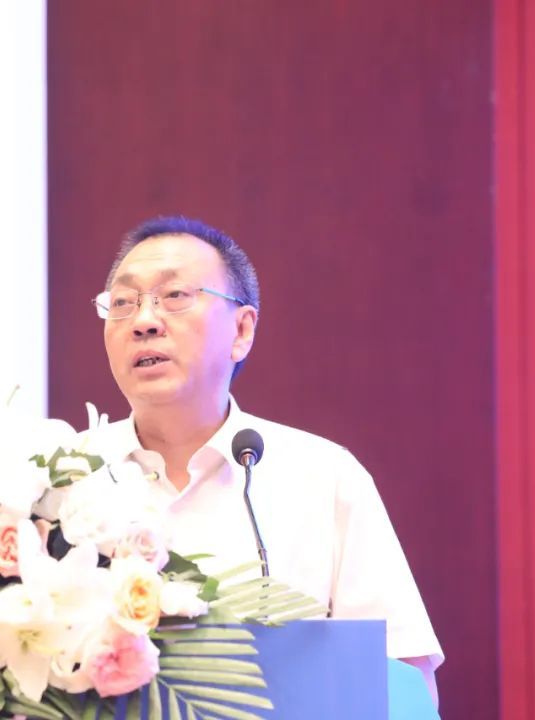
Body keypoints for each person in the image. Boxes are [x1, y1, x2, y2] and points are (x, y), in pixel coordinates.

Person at [86, 216, 443, 704]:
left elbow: (402, 680)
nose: (144, 320)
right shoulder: (59, 483)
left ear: (241, 329)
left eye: (174, 296)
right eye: (123, 303)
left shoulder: (324, 478)